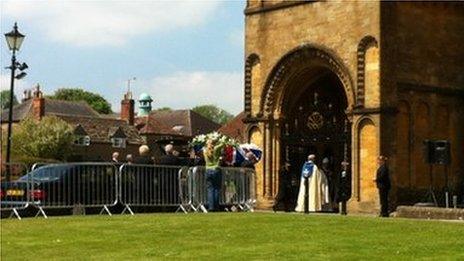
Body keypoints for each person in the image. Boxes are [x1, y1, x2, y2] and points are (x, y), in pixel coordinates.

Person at [203, 139, 225, 212]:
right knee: (216, 188)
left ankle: (211, 207)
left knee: (210, 189)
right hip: (216, 169)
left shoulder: (204, 150)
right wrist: (217, 139)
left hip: (208, 170)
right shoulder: (216, 148)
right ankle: (216, 206)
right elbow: (224, 142)